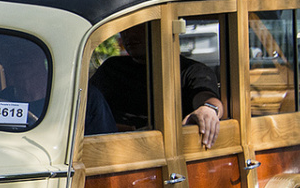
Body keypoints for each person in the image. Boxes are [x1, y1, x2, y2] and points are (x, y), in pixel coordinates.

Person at [90, 24, 224, 148]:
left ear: (161, 27)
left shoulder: (191, 70)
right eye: (124, 27)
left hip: (157, 150)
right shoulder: (112, 67)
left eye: (137, 26)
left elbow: (207, 97)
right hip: (104, 145)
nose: (128, 34)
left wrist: (208, 109)